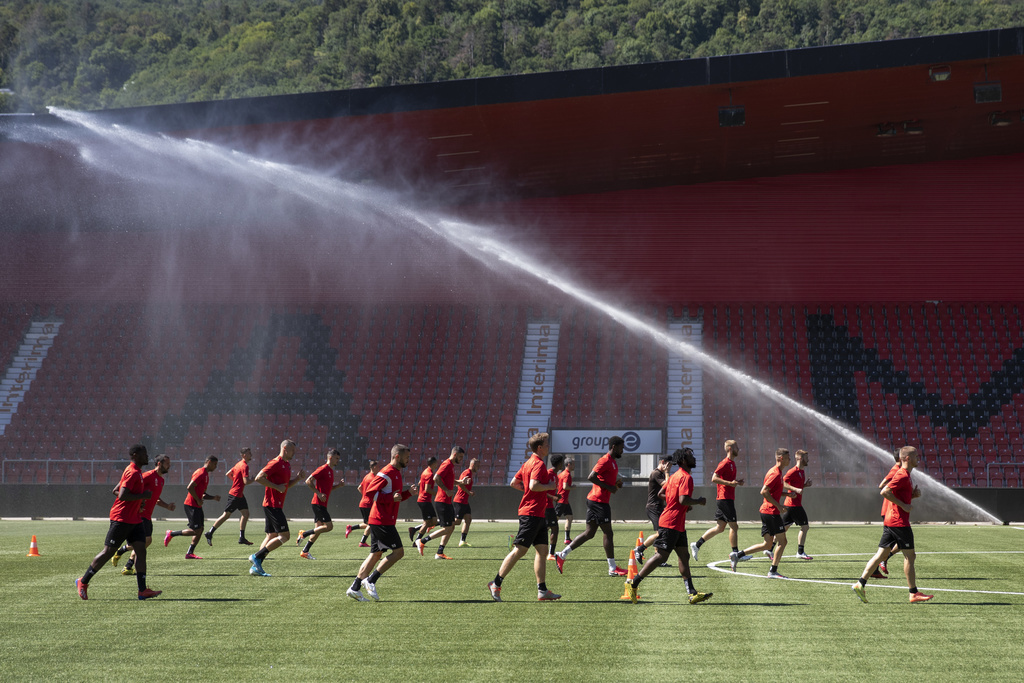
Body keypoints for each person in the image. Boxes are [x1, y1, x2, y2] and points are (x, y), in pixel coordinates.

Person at [625, 448, 711, 604]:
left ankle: (692, 593)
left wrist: (677, 502)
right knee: (661, 556)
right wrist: (698, 501)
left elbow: (661, 495)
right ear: (683, 460)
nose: (693, 458)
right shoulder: (685, 477)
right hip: (670, 523)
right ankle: (634, 583)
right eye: (690, 456)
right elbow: (684, 499)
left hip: (677, 524)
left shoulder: (673, 477)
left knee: (684, 556)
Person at [75, 444, 161, 601]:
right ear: (135, 455)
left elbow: (117, 489)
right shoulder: (133, 472)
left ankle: (142, 590)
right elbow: (121, 495)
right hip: (121, 518)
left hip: (134, 518)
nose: (147, 456)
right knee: (107, 552)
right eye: (144, 454)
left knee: (141, 550)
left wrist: (139, 500)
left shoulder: (137, 472)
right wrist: (143, 496)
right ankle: (83, 581)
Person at [852, 446, 933, 604]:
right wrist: (903, 505)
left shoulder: (906, 475)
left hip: (891, 521)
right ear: (907, 458)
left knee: (881, 555)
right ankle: (913, 593)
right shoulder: (902, 474)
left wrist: (911, 497)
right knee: (910, 556)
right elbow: (884, 491)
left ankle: (860, 584)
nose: (918, 458)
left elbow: (896, 493)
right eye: (916, 456)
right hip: (899, 523)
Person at [488, 432, 561, 601]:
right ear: (540, 448)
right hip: (531, 513)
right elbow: (534, 485)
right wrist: (549, 485)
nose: (549, 446)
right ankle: (496, 583)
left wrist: (527, 491)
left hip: (537, 513)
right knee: (520, 550)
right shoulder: (538, 464)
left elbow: (514, 483)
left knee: (542, 551)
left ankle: (542, 590)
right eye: (547, 444)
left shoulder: (527, 463)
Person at [347, 444, 418, 601]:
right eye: (407, 457)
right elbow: (369, 493)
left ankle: (355, 587)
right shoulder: (386, 473)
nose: (409, 460)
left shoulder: (396, 473)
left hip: (382, 519)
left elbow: (395, 497)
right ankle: (371, 580)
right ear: (397, 457)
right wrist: (390, 498)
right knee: (399, 552)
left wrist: (408, 494)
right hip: (381, 520)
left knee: (375, 554)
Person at [555, 435, 626, 577]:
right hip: (598, 502)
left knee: (589, 533)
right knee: (608, 533)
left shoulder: (612, 462)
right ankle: (612, 568)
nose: (622, 451)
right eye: (620, 448)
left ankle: (562, 555)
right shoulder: (604, 460)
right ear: (613, 447)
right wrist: (609, 487)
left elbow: (604, 480)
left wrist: (615, 485)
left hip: (596, 500)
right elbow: (591, 476)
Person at [731, 448, 795, 578]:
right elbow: (764, 491)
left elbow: (772, 492)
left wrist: (786, 494)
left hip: (766, 511)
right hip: (771, 511)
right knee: (783, 542)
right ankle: (773, 571)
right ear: (781, 458)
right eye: (788, 457)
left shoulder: (776, 472)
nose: (790, 460)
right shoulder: (775, 473)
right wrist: (779, 506)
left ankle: (737, 555)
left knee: (767, 544)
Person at [112, 454, 176, 575]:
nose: (169, 466)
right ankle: (123, 555)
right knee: (145, 540)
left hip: (147, 516)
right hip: (138, 515)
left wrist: (167, 506)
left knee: (145, 542)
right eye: (167, 463)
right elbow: (122, 490)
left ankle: (128, 565)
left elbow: (155, 498)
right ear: (159, 464)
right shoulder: (147, 476)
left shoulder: (161, 480)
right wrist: (138, 503)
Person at [249, 440, 305, 577]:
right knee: (285, 536)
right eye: (292, 450)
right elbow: (259, 478)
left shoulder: (286, 464)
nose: (294, 453)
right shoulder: (276, 463)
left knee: (271, 535)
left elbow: (285, 486)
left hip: (273, 504)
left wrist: (297, 478)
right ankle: (256, 557)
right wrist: (276, 487)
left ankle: (256, 566)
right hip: (272, 505)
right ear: (285, 448)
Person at [691, 439, 746, 565]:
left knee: (720, 528)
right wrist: (730, 483)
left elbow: (728, 481)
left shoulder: (732, 463)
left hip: (726, 498)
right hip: (724, 498)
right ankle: (736, 553)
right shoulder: (725, 463)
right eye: (737, 447)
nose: (739, 449)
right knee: (734, 526)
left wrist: (736, 482)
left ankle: (697, 544)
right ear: (731, 449)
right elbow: (714, 478)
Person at [414, 446, 467, 559]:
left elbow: (449, 481)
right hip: (442, 501)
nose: (461, 459)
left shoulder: (450, 466)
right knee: (447, 528)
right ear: (455, 454)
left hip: (446, 501)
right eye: (460, 457)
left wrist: (461, 482)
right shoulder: (447, 464)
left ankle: (439, 552)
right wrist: (446, 490)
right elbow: (436, 478)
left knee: (451, 527)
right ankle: (422, 541)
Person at [164, 456, 220, 559]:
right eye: (215, 464)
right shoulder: (201, 472)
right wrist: (198, 500)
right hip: (191, 505)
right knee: (195, 531)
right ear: (209, 462)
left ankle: (190, 553)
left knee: (200, 529)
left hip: (197, 505)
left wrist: (213, 498)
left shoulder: (206, 475)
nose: (215, 467)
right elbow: (190, 487)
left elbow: (202, 493)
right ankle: (171, 533)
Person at [296, 448, 346, 559]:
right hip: (318, 503)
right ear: (330, 457)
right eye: (336, 458)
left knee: (318, 529)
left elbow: (328, 489)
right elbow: (308, 480)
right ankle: (304, 534)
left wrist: (338, 486)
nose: (338, 461)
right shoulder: (323, 469)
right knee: (329, 527)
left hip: (321, 503)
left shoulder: (330, 471)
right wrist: (318, 494)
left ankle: (305, 551)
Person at [205, 447, 255, 546]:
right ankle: (210, 533)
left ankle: (242, 537)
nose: (251, 455)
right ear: (244, 455)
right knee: (226, 515)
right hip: (235, 495)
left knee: (245, 514)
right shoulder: (244, 466)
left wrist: (236, 482)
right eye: (249, 453)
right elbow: (246, 481)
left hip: (239, 495)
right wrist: (254, 479)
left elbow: (228, 474)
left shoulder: (238, 464)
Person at [635, 453, 675, 567]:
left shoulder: (660, 473)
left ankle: (658, 559)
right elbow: (668, 486)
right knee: (660, 533)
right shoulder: (656, 473)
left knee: (661, 533)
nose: (670, 467)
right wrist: (667, 473)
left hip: (658, 507)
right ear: (663, 462)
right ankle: (640, 549)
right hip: (653, 508)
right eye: (669, 465)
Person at [874, 451, 905, 577]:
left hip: (891, 511)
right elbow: (881, 485)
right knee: (901, 542)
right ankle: (882, 561)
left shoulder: (899, 470)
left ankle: (876, 569)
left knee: (896, 543)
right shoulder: (896, 470)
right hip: (890, 511)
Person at [781, 449, 813, 560]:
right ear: (800, 458)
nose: (808, 459)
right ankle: (800, 552)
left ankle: (769, 549)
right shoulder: (792, 471)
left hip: (792, 504)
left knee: (783, 529)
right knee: (805, 526)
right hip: (793, 504)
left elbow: (797, 487)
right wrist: (796, 489)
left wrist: (805, 485)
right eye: (806, 457)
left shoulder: (801, 471)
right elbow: (783, 483)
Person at [346, 460, 380, 547]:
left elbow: (359, 487)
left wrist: (365, 496)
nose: (379, 468)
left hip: (363, 503)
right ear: (373, 467)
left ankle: (351, 528)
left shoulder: (366, 476)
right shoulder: (373, 478)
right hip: (368, 504)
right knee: (372, 524)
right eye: (378, 467)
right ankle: (362, 542)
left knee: (367, 524)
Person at [408, 457, 438, 543]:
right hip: (424, 500)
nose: (437, 465)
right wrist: (438, 494)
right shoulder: (429, 474)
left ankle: (414, 530)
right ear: (433, 463)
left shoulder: (425, 471)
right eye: (436, 463)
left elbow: (420, 483)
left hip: (425, 500)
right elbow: (427, 489)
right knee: (427, 523)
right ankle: (417, 541)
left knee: (433, 521)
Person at [545, 454, 567, 558]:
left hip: (549, 506)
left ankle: (518, 541)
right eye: (562, 463)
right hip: (546, 506)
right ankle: (550, 554)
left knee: (545, 528)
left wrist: (556, 495)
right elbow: (541, 490)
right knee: (554, 528)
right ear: (559, 464)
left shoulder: (555, 475)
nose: (562, 465)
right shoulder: (549, 473)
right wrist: (552, 497)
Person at [453, 457, 479, 547]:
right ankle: (435, 523)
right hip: (460, 500)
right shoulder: (467, 472)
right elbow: (459, 485)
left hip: (464, 501)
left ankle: (462, 541)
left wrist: (469, 492)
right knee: (456, 522)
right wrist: (469, 492)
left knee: (468, 519)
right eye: (477, 466)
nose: (478, 468)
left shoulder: (470, 473)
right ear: (473, 465)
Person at [555, 458, 574, 545]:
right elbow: (565, 487)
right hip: (562, 500)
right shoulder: (566, 474)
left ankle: (567, 538)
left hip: (564, 500)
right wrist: (573, 487)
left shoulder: (561, 474)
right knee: (554, 520)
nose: (575, 465)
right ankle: (540, 534)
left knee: (569, 517)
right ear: (569, 464)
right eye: (573, 464)